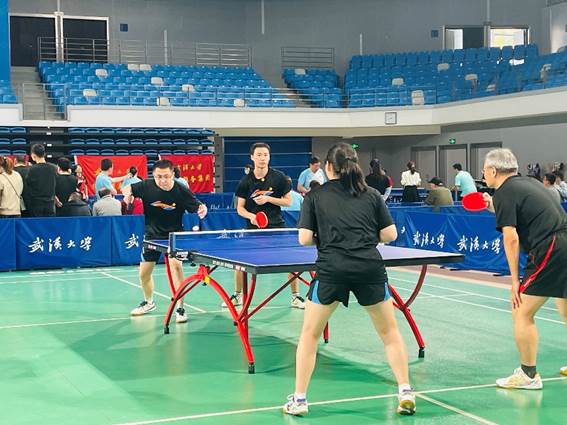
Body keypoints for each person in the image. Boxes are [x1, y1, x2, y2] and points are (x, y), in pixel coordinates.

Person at [283, 143, 415, 417]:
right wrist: (362, 236)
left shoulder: (315, 196)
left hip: (332, 270)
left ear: (328, 167)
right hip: (369, 268)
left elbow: (304, 239)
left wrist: (330, 237)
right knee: (390, 333)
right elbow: (390, 234)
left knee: (310, 335)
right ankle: (405, 391)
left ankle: (300, 399)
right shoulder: (372, 194)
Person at [482, 148, 567, 390]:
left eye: (484, 170)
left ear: (493, 170)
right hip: (564, 241)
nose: (483, 174)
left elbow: (511, 238)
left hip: (551, 248)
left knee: (521, 312)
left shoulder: (505, 191)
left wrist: (514, 281)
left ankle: (528, 375)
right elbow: (524, 210)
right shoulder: (529, 183)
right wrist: (493, 206)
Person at [122, 159, 208, 323]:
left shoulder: (181, 190)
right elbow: (127, 188)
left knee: (176, 267)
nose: (162, 180)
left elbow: (198, 205)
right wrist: (127, 195)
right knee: (144, 274)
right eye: (158, 177)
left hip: (174, 236)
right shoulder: (146, 186)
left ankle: (180, 307)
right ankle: (149, 302)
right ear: (153, 175)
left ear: (173, 174)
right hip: (152, 235)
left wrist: (202, 209)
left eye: (166, 176)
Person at [226, 142, 304, 309]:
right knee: (239, 262)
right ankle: (237, 295)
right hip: (253, 229)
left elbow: (288, 201)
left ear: (269, 157)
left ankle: (296, 297)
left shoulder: (279, 178)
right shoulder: (245, 182)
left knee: (291, 261)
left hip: (276, 226)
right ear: (252, 157)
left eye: (265, 155)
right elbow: (240, 208)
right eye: (259, 155)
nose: (262, 158)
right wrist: (252, 216)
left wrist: (268, 199)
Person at [26, 144, 57, 217]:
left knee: (37, 224)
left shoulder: (32, 169)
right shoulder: (54, 168)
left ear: (33, 155)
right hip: (50, 203)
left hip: (37, 204)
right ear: (44, 154)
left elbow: (28, 184)